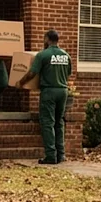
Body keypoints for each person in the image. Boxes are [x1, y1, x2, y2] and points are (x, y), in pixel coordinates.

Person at [17, 29, 72, 165]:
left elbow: (32, 73)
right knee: (59, 122)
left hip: (49, 91)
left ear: (47, 39)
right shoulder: (66, 55)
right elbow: (69, 73)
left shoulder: (43, 55)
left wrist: (21, 82)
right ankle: (61, 154)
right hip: (63, 91)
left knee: (47, 122)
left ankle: (50, 155)